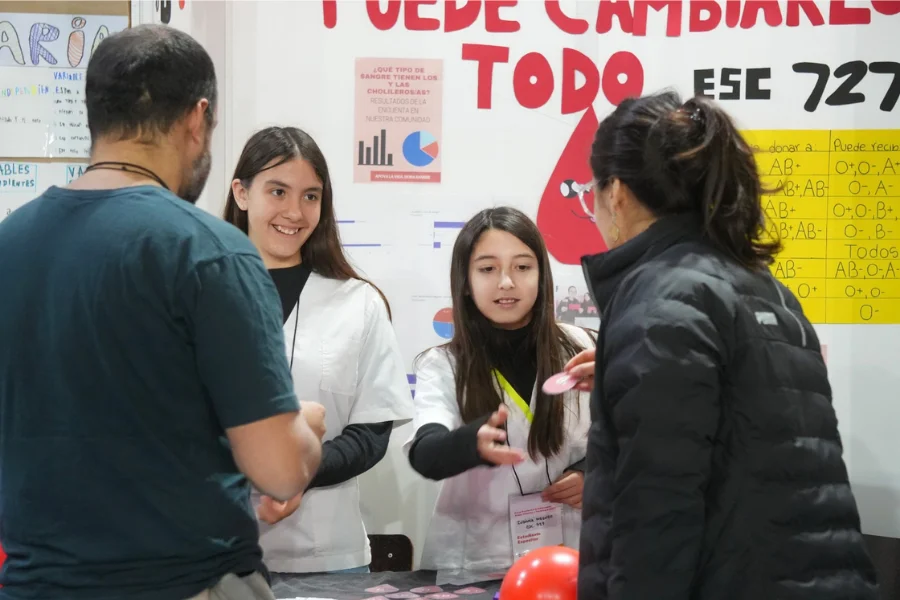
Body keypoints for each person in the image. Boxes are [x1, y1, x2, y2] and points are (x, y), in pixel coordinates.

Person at [0, 26, 324, 600]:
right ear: (197, 118)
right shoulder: (208, 250)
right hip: (184, 581)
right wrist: (305, 427)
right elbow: (277, 469)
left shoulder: (11, 244)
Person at [567, 91, 879, 599]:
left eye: (591, 191)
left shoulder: (660, 302)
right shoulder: (766, 290)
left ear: (616, 192)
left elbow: (657, 511)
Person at [223, 127, 414, 578]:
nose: (295, 211)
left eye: (311, 196)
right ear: (242, 193)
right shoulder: (200, 293)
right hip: (219, 551)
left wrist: (300, 471)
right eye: (278, 191)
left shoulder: (359, 302)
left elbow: (371, 432)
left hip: (329, 556)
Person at [404, 207, 593, 584]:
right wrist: (469, 444)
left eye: (522, 267)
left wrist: (593, 473)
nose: (506, 282)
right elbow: (425, 452)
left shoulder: (583, 348)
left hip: (569, 559)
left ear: (542, 276)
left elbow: (628, 437)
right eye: (487, 269)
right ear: (465, 281)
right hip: (475, 563)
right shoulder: (443, 364)